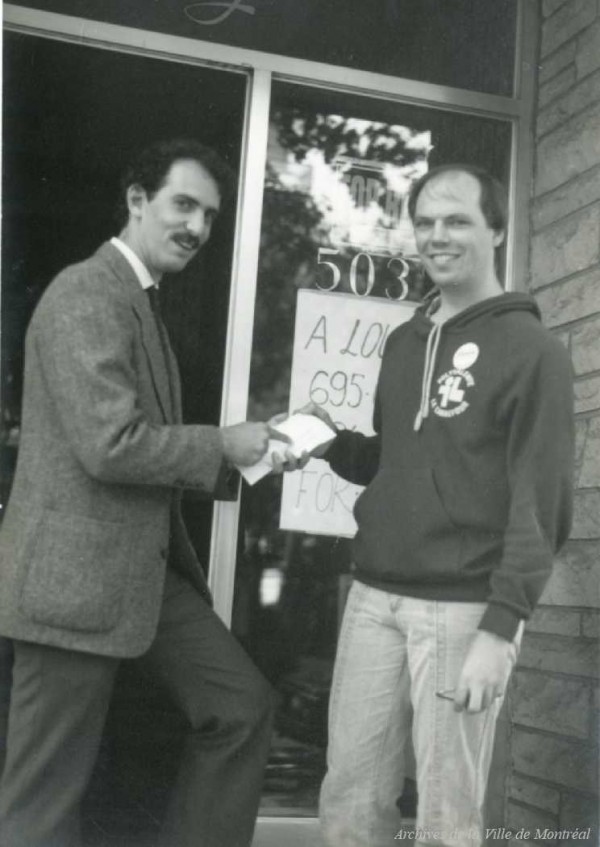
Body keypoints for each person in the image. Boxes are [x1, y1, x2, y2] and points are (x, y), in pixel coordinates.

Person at [0, 138, 293, 847]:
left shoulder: (142, 305)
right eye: (183, 204)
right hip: (71, 585)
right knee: (43, 800)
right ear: (137, 201)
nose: (197, 226)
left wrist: (249, 458)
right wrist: (221, 442)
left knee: (239, 706)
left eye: (210, 215)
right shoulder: (85, 292)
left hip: (143, 573)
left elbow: (141, 449)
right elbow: (111, 444)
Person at [300, 164, 574, 847]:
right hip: (372, 600)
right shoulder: (403, 342)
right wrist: (323, 439)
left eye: (457, 220)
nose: (436, 235)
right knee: (349, 803)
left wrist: (501, 627)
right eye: (424, 222)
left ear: (497, 229)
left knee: (448, 819)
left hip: (461, 613)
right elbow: (399, 463)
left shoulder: (533, 351)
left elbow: (542, 504)